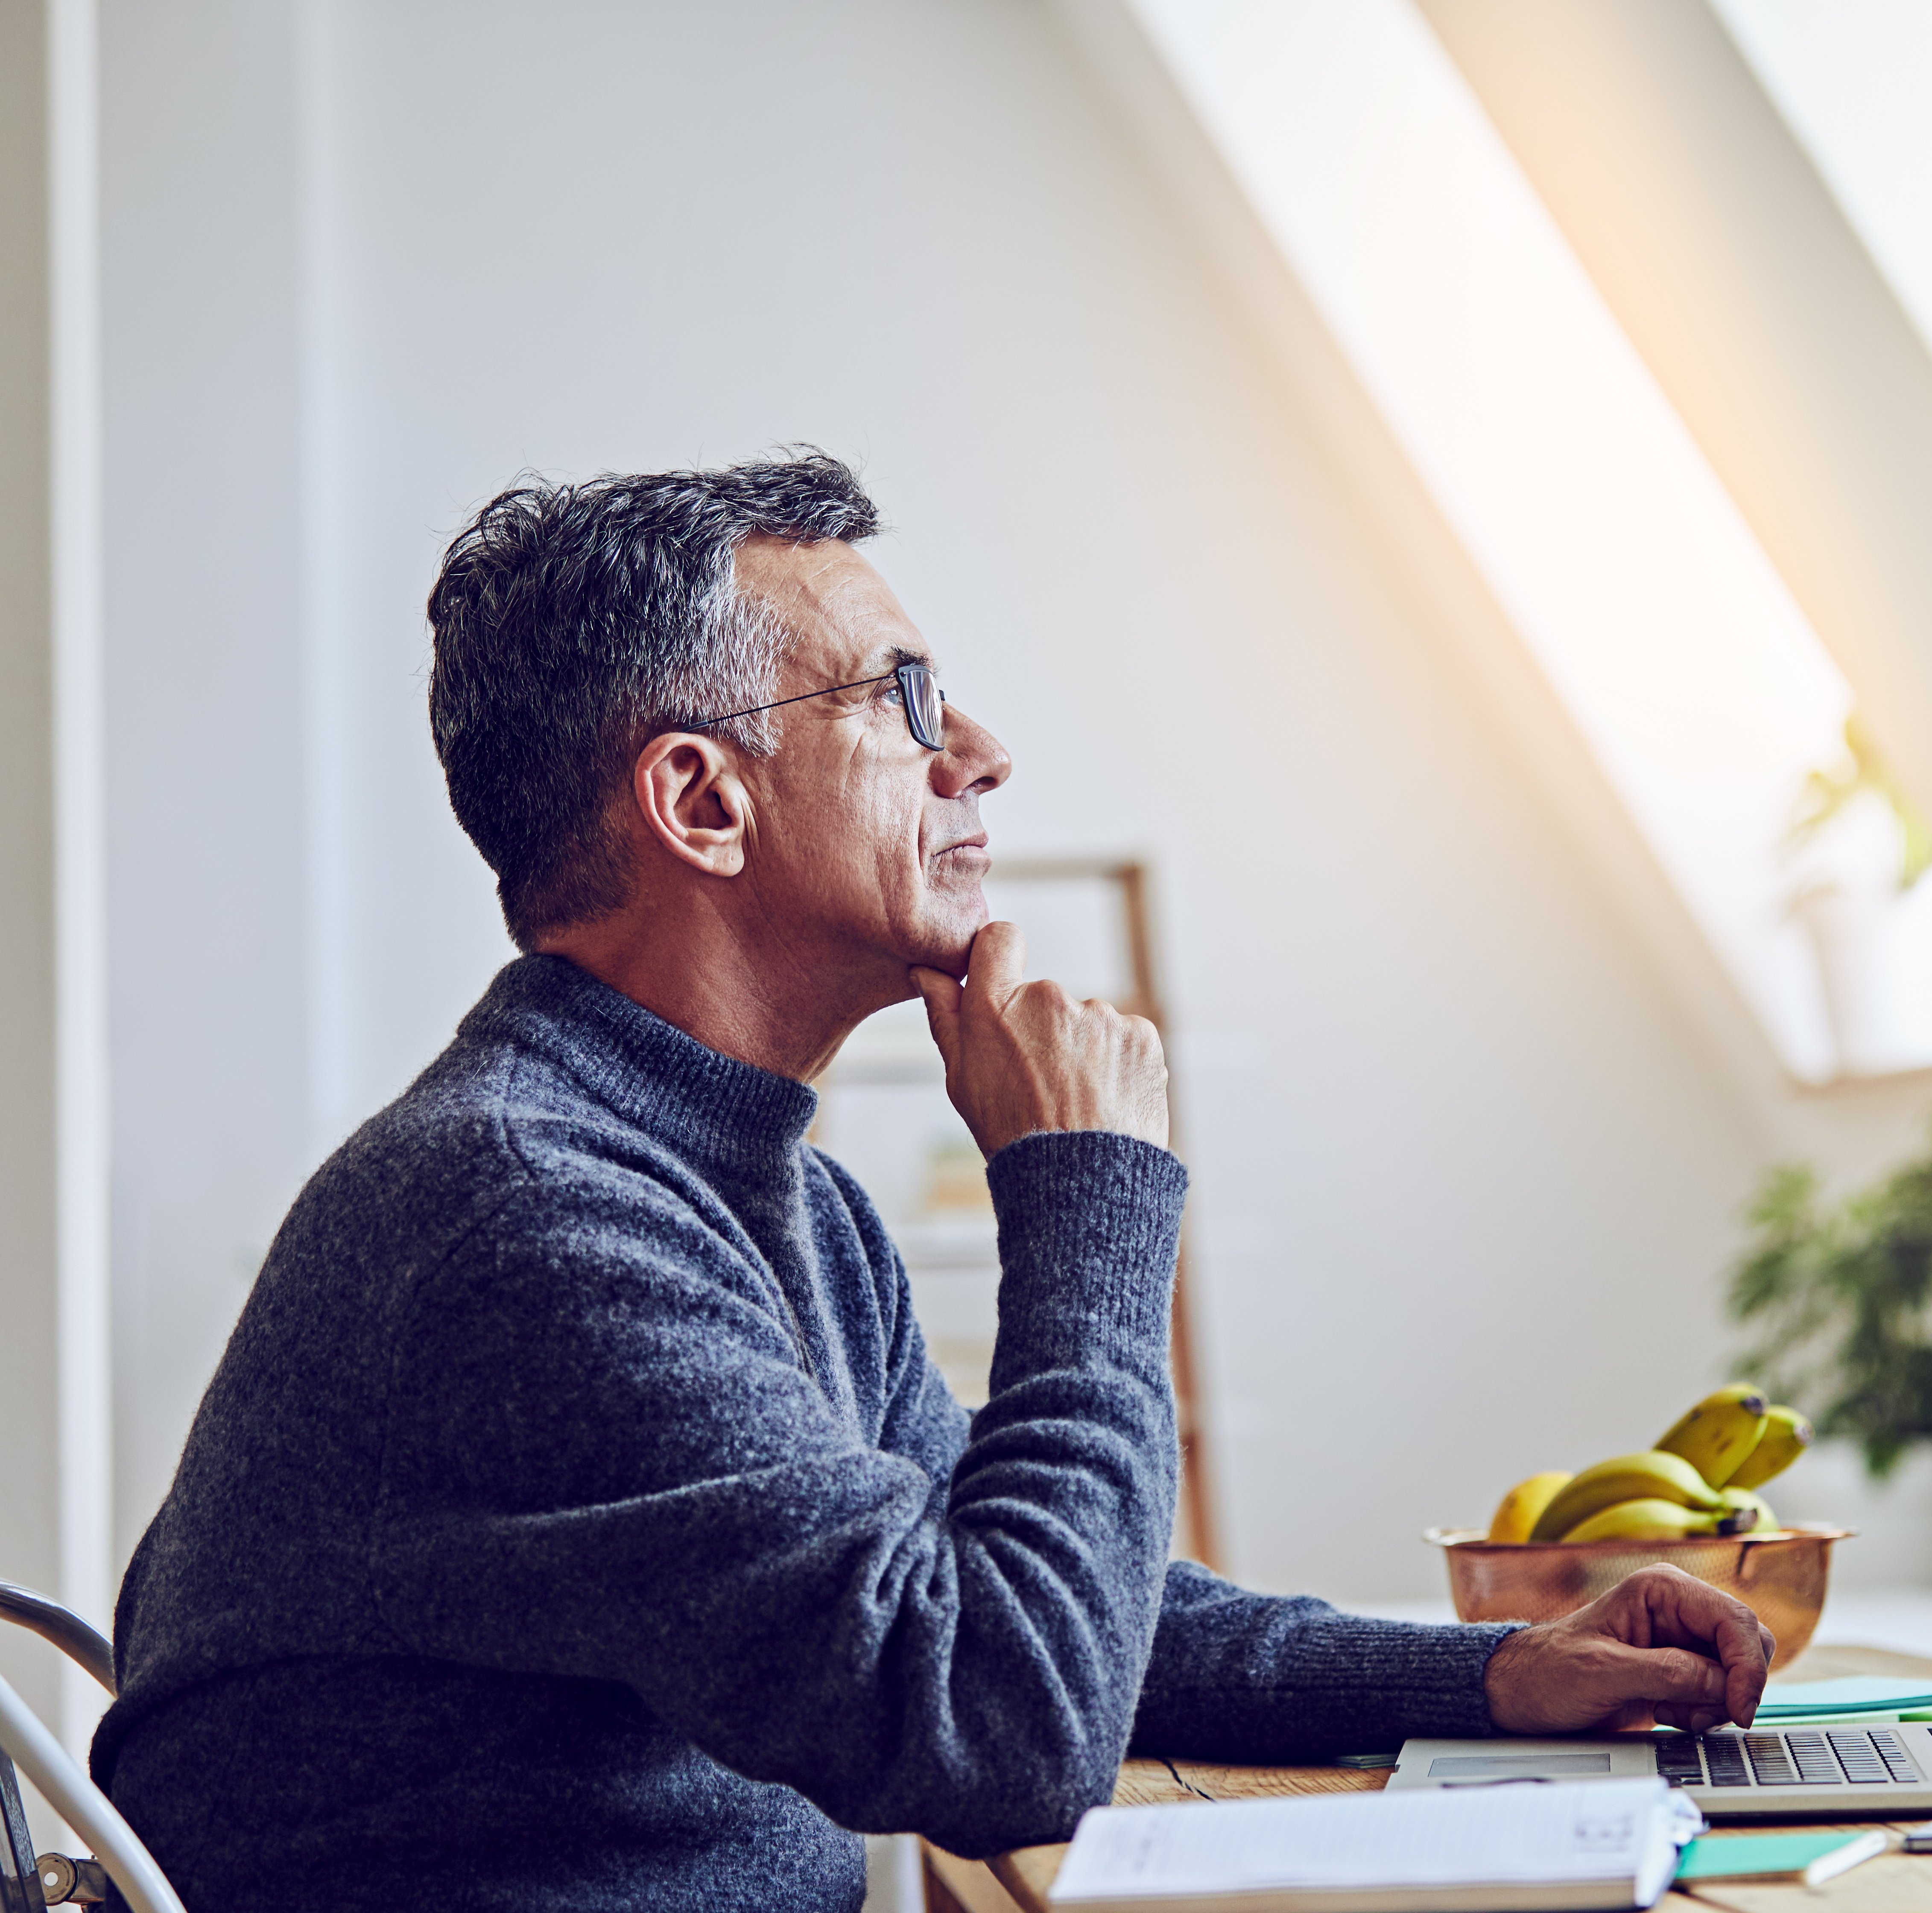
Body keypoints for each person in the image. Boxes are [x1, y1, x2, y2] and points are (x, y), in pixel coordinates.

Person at [90, 452, 1773, 1911]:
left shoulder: (766, 1200)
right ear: (702, 798)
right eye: (900, 698)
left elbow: (1034, 1607)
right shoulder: (527, 1220)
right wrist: (1084, 1190)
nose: (979, 747)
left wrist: (1495, 1671)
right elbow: (1004, 1723)